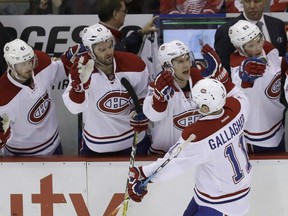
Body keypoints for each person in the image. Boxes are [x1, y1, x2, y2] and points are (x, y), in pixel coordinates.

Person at [128, 78, 252, 216]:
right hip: (221, 191)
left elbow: (172, 163)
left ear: (205, 108)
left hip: (222, 203)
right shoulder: (237, 108)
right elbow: (240, 95)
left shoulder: (200, 135)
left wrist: (143, 174)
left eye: (197, 102)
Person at [62, 23, 151, 155]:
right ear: (90, 51)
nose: (109, 52)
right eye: (102, 50)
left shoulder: (134, 64)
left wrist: (142, 110)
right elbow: (75, 109)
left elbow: (145, 95)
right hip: (96, 146)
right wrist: (78, 89)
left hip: (133, 141)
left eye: (110, 46)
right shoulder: (81, 70)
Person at [143, 40, 233, 155]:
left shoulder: (200, 78)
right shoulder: (158, 86)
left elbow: (222, 104)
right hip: (163, 155)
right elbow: (153, 116)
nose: (187, 65)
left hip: (197, 153)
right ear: (167, 66)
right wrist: (159, 98)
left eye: (187, 59)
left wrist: (219, 76)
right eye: (180, 61)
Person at [0, 39, 67, 155]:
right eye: (22, 64)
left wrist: (72, 60)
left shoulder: (42, 63)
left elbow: (63, 70)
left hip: (54, 145)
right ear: (10, 65)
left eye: (30, 61)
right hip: (20, 155)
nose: (28, 67)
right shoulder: (3, 95)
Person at [229, 20, 286, 153]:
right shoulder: (243, 67)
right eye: (250, 45)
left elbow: (276, 66)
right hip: (257, 134)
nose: (257, 48)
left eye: (258, 40)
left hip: (277, 124)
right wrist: (246, 78)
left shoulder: (269, 49)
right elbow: (242, 78)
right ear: (240, 49)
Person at [214, 0, 287, 75]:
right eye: (247, 1)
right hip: (243, 86)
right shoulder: (226, 31)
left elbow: (282, 60)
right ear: (242, 2)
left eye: (257, 1)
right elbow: (224, 70)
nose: (252, 6)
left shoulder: (278, 25)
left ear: (265, 1)